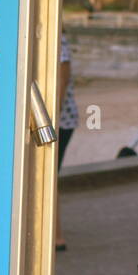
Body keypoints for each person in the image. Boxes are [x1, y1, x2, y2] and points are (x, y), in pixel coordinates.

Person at [56, 33, 78, 251]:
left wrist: (52, 117)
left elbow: (63, 78)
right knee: (48, 175)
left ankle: (57, 236)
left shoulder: (57, 37)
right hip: (59, 120)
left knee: (47, 176)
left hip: (59, 121)